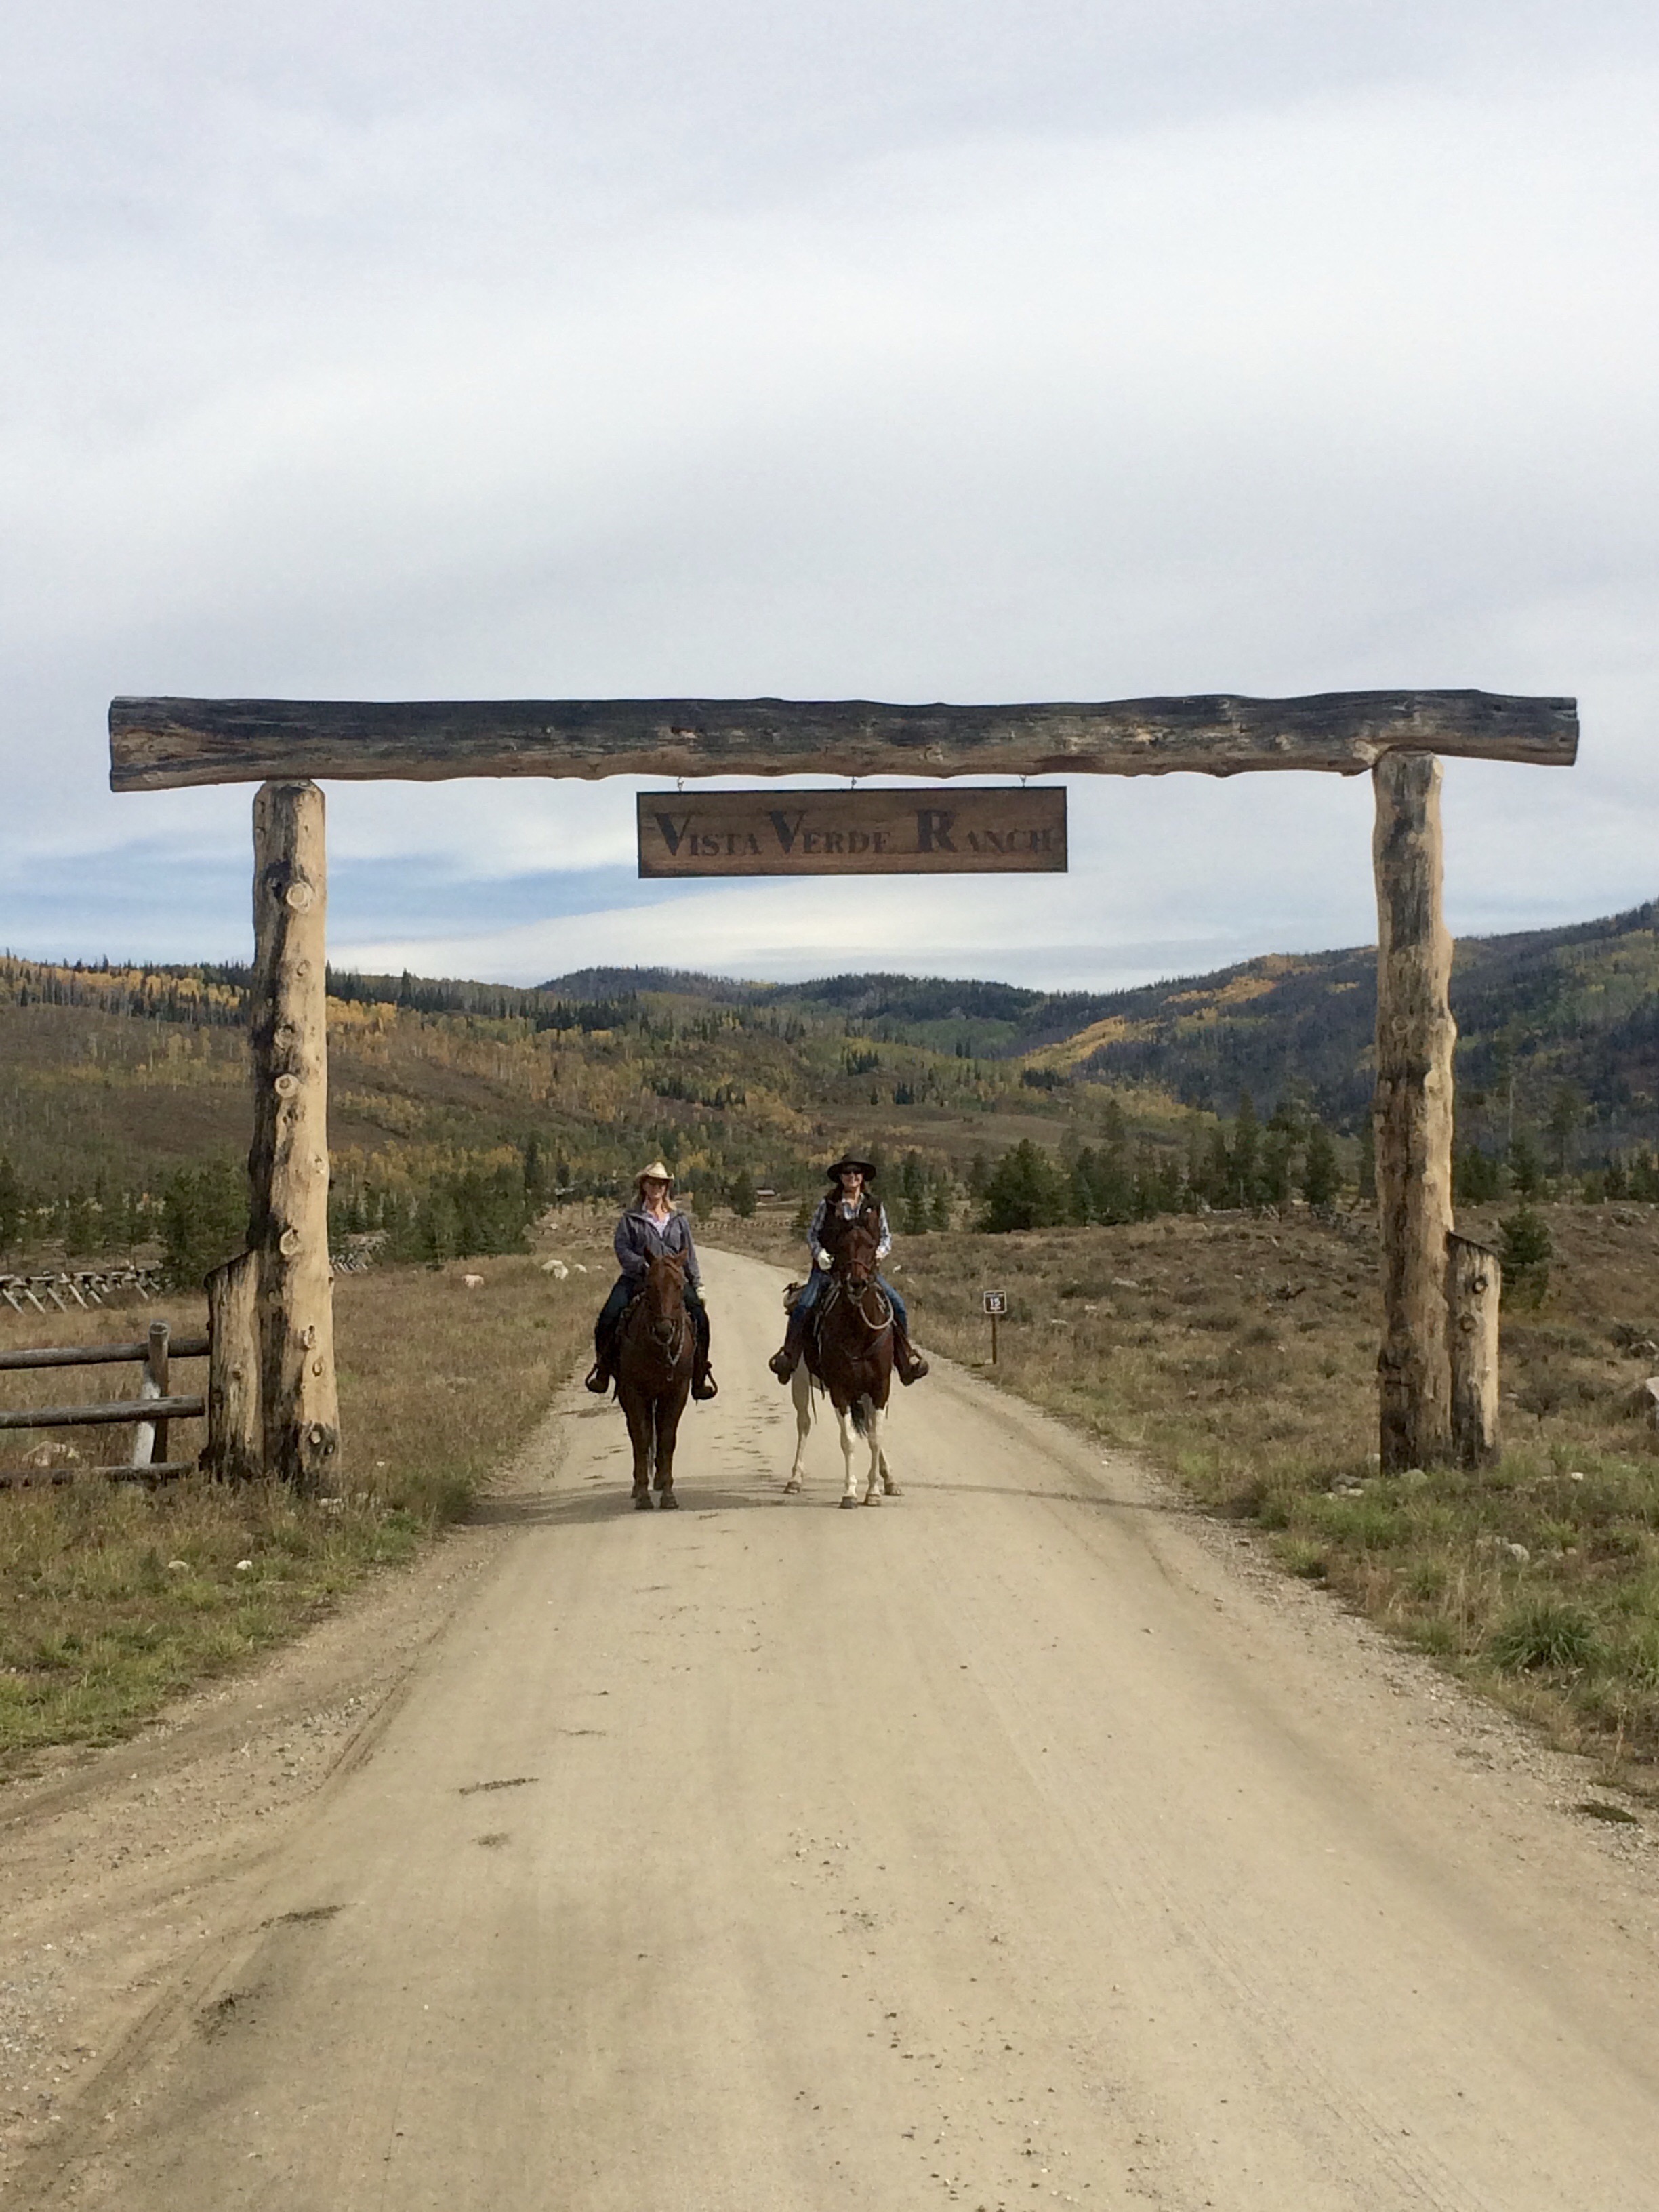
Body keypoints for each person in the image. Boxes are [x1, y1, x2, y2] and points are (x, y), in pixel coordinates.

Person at [768, 1152, 928, 1385]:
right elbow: (812, 1234)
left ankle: (905, 1359)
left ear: (863, 1177)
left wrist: (880, 1252)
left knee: (899, 1306)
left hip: (865, 1271)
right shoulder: (828, 1204)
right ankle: (789, 1357)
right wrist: (819, 1254)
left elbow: (886, 1237)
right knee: (804, 1306)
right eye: (847, 1172)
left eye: (856, 1172)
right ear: (840, 1177)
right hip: (829, 1270)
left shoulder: (875, 1206)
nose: (852, 1176)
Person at [586, 1161, 717, 1399]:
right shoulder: (631, 1218)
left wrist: (697, 1284)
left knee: (701, 1319)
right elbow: (622, 1248)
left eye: (661, 1184)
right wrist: (644, 1267)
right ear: (644, 1185)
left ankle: (699, 1376)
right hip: (637, 1278)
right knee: (608, 1316)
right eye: (652, 1183)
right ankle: (603, 1371)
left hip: (673, 1282)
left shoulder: (678, 1219)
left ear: (667, 1188)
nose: (657, 1187)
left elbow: (689, 1254)